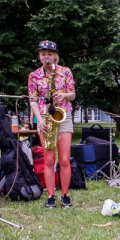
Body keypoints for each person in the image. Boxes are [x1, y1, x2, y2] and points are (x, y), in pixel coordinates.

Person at [28, 40, 76, 209]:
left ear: (55, 55)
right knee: (49, 160)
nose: (46, 57)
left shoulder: (65, 71)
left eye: (49, 54)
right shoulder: (34, 75)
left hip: (63, 115)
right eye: (43, 54)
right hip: (44, 117)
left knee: (64, 159)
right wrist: (39, 121)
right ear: (39, 56)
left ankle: (65, 194)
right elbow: (33, 101)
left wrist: (64, 95)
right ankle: (50, 195)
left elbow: (73, 95)